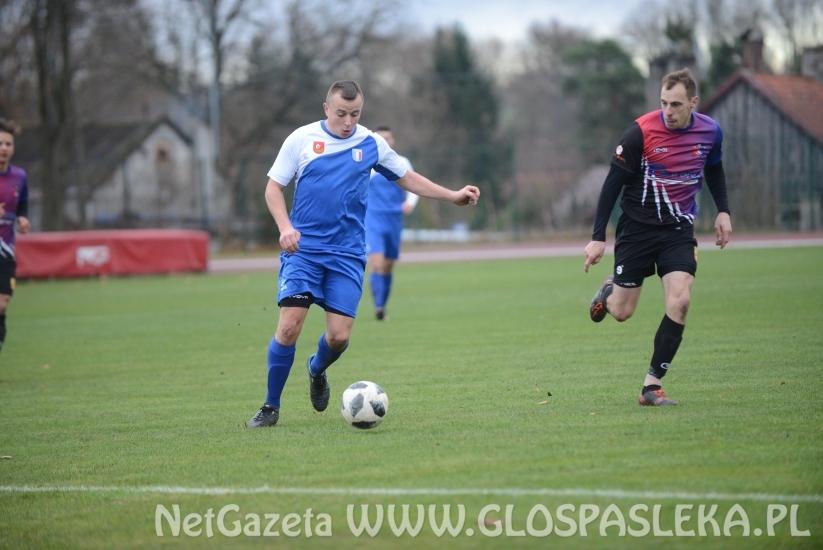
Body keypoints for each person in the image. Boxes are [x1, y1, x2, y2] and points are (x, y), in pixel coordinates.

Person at [247, 81, 480, 427]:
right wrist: (284, 227)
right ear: (326, 108)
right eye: (341, 114)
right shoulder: (301, 139)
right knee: (290, 326)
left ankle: (316, 369)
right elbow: (273, 188)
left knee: (339, 337)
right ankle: (270, 407)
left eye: (355, 114)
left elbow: (408, 178)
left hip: (347, 254)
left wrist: (452, 195)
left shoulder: (371, 143)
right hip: (304, 251)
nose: (348, 122)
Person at [583, 68, 732, 407]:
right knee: (623, 311)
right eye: (663, 103)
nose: (668, 111)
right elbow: (611, 185)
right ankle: (608, 293)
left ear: (693, 102)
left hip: (677, 232)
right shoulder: (641, 131)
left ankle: (652, 385)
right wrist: (598, 237)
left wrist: (723, 211)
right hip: (636, 230)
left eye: (676, 104)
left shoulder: (710, 131)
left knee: (680, 301)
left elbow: (714, 168)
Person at [365, 125, 418, 320]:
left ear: (392, 140)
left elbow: (414, 184)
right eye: (381, 138)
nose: (385, 141)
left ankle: (382, 305)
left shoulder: (401, 162)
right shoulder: (368, 164)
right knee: (377, 262)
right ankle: (378, 307)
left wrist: (410, 203)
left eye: (387, 138)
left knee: (388, 265)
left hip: (394, 219)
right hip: (373, 218)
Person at [0, 118, 31, 357]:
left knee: (2, 305)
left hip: (6, 251)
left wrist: (22, 218)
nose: (4, 148)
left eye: (8, 144)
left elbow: (22, 204)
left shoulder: (19, 176)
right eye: (0, 143)